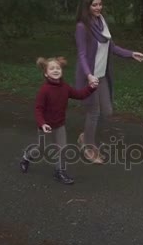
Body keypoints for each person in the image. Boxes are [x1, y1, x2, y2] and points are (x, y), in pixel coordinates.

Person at [74, 0, 143, 163]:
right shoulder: (82, 27)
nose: (98, 7)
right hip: (89, 77)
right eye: (94, 5)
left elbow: (111, 47)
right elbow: (82, 54)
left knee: (107, 111)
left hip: (102, 75)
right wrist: (89, 75)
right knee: (93, 112)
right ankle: (89, 147)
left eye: (100, 4)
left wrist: (131, 54)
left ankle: (85, 136)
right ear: (87, 7)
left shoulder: (101, 23)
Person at [20, 56, 97, 185]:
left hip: (59, 125)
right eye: (52, 68)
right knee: (41, 149)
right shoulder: (44, 90)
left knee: (62, 149)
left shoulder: (65, 87)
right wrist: (42, 123)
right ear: (46, 73)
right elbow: (38, 109)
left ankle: (59, 172)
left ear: (61, 71)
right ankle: (26, 158)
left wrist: (91, 87)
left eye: (58, 68)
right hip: (46, 126)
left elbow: (79, 95)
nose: (55, 70)